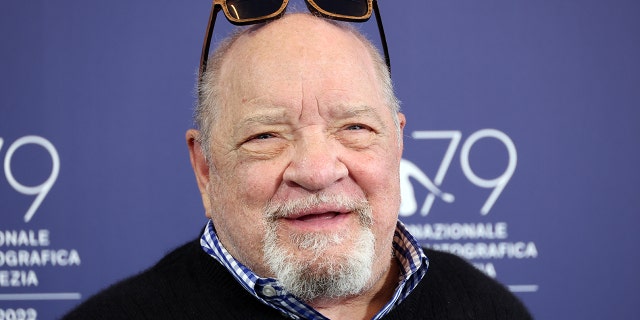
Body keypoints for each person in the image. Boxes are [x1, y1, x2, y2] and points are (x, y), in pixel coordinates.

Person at [64, 13, 532, 320]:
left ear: (397, 143)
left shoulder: (488, 309)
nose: (316, 170)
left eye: (354, 128)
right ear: (204, 169)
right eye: (265, 136)